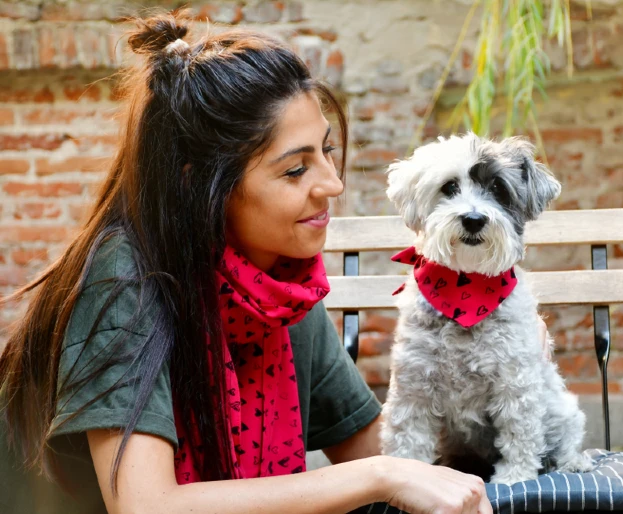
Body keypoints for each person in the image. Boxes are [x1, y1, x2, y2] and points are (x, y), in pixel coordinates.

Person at [0, 11, 548, 514]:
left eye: (326, 152)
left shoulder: (279, 281)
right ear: (202, 186)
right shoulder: (127, 280)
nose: (331, 185)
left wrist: (493, 382)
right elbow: (147, 506)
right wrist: (382, 475)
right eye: (294, 171)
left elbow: (369, 444)